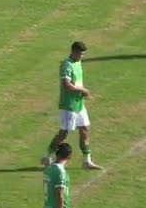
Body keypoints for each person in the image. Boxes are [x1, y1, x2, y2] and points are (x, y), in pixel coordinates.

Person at [42, 41, 102, 170]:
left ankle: (87, 161)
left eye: (83, 54)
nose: (82, 56)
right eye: (80, 54)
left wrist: (82, 94)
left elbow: (77, 83)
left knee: (84, 129)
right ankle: (47, 156)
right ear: (73, 51)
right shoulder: (66, 65)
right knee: (63, 133)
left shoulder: (78, 63)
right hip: (68, 105)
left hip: (79, 104)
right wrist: (82, 90)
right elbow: (67, 85)